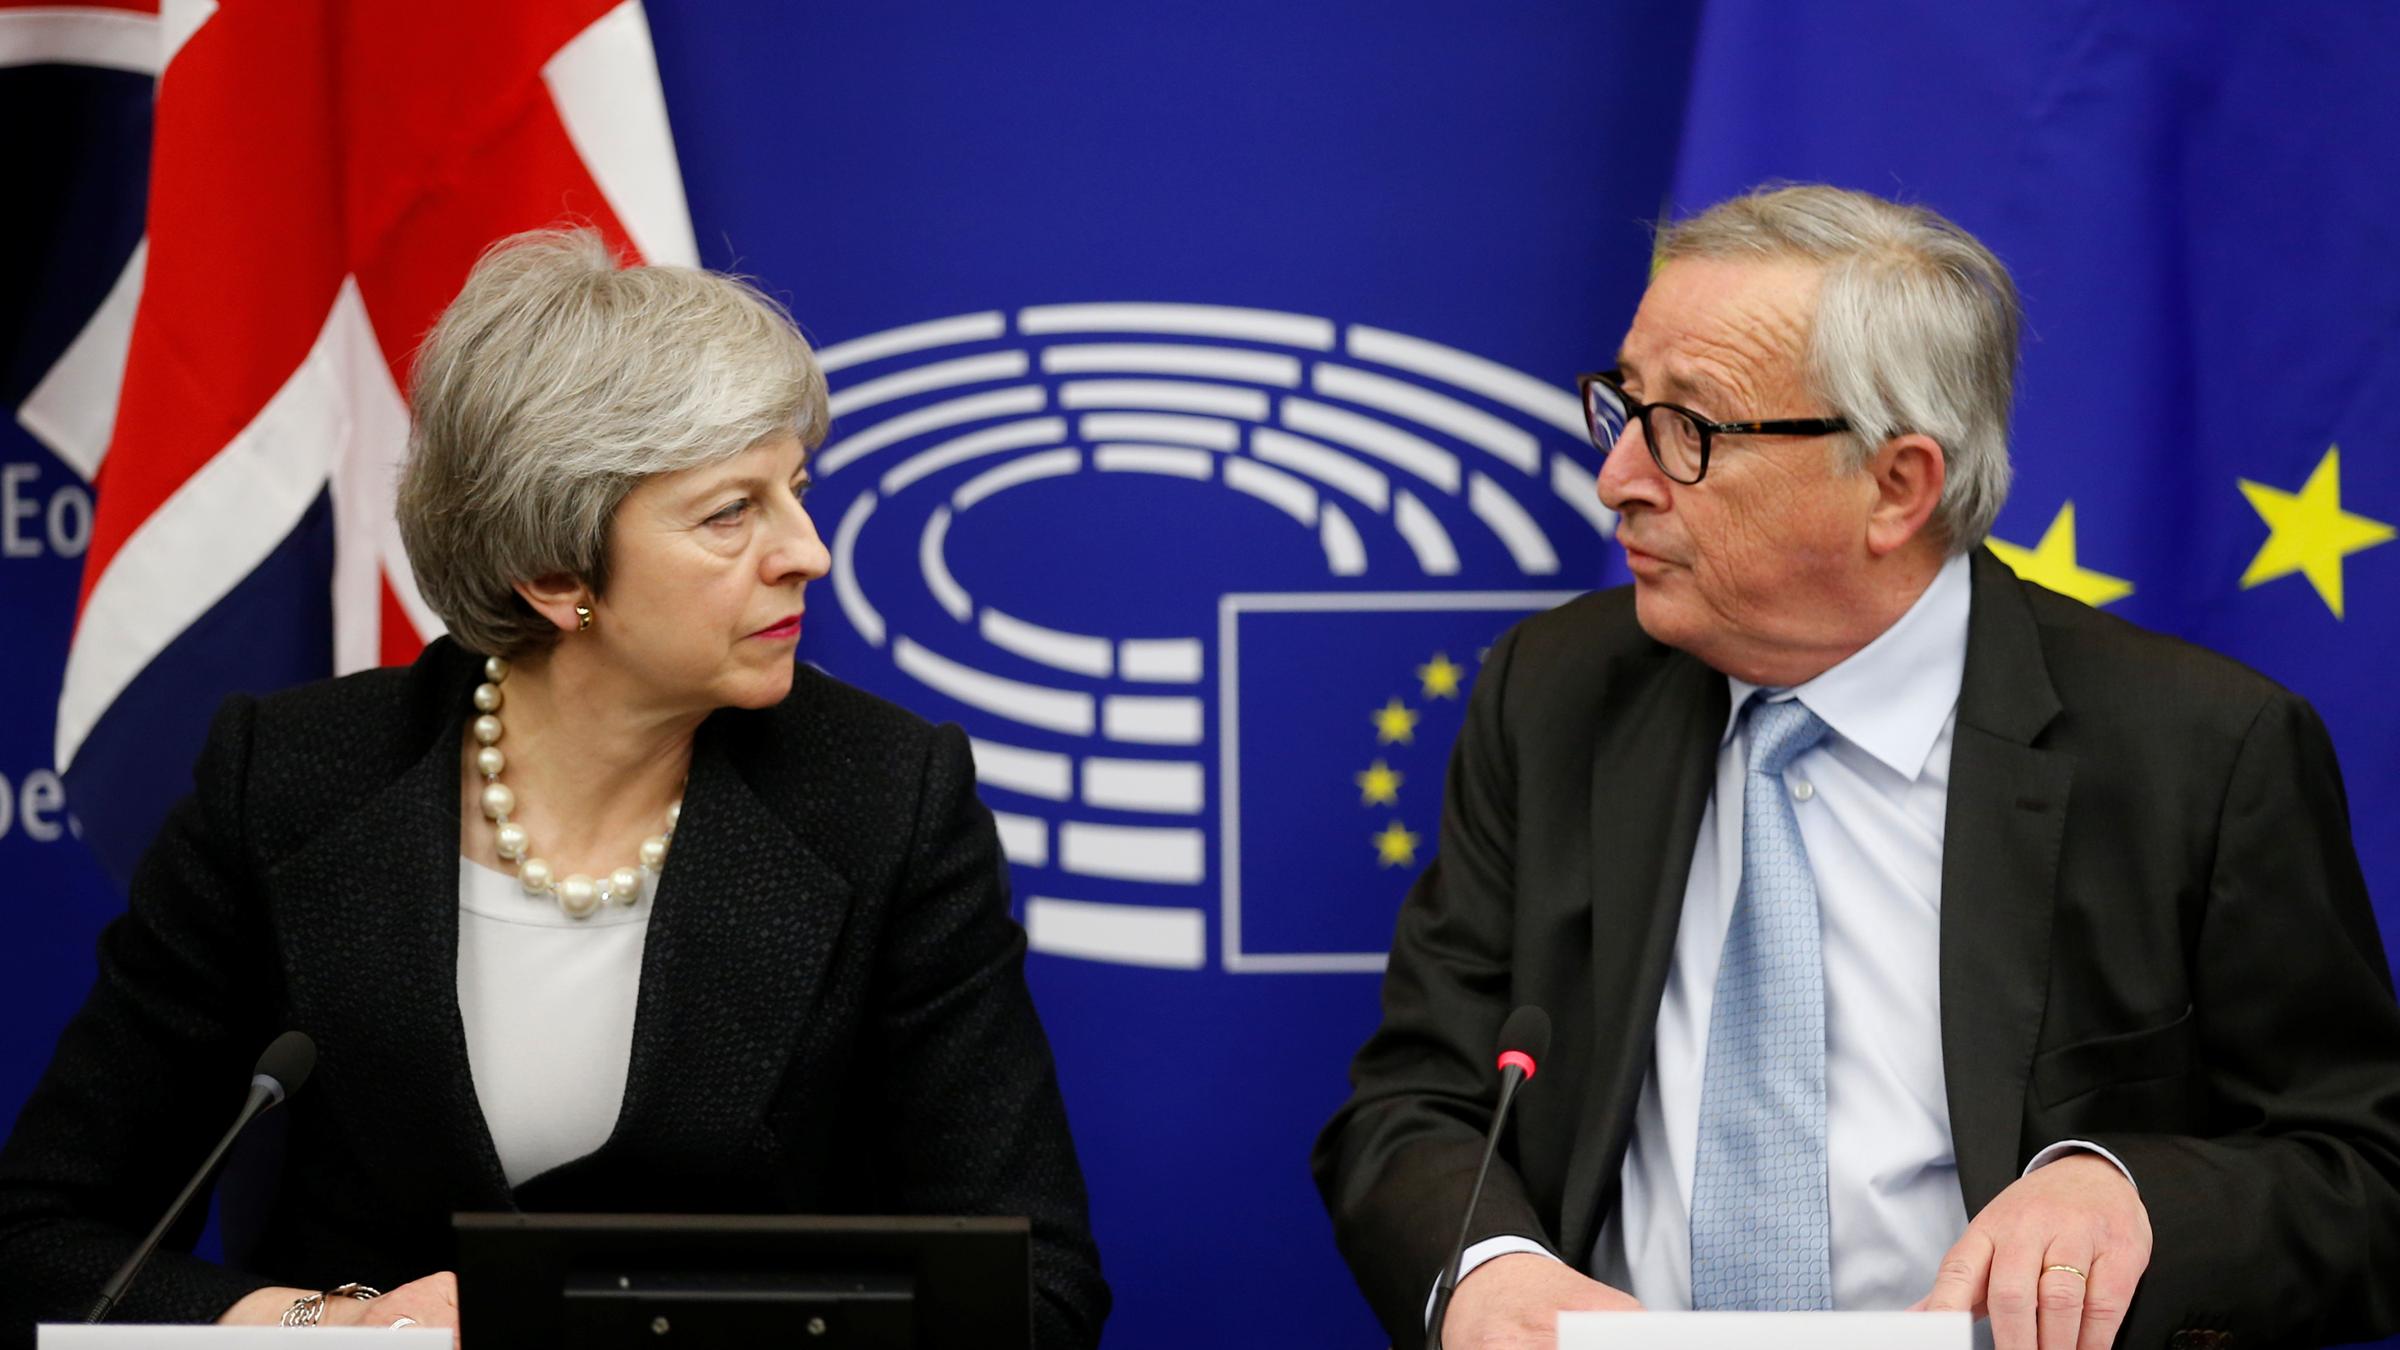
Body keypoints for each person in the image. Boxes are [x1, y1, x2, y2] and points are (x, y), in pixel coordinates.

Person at [1313, 185, 2400, 1350]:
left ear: (1896, 487)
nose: (1618, 475)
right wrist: (1486, 1270)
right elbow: (1418, 1101)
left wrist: (2132, 1192)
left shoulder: (2199, 751)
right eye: (1625, 405)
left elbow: (2365, 1177)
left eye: (1689, 429)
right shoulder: (1555, 693)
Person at [0, 230, 1109, 1346]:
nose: (808, 551)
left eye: (796, 490)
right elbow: (40, 1236)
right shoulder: (288, 782)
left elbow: (1039, 1291)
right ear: (552, 572)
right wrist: (314, 1325)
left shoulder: (885, 799)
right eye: (731, 513)